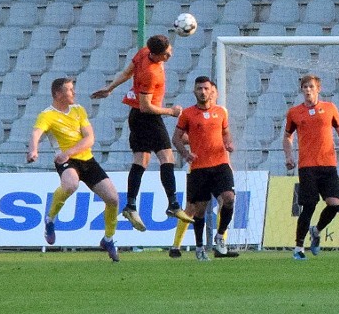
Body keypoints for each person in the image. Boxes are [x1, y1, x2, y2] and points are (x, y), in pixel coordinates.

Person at [91, 34, 192, 230]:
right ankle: (172, 204)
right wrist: (170, 111)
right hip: (146, 118)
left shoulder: (144, 52)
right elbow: (146, 107)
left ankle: (130, 205)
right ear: (155, 55)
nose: (169, 55)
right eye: (165, 55)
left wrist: (110, 88)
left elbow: (128, 72)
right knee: (167, 158)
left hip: (137, 117)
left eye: (169, 50)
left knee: (142, 160)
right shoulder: (150, 72)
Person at [27, 77, 121, 262]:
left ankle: (108, 239)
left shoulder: (78, 110)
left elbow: (89, 139)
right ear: (58, 94)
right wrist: (33, 150)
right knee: (70, 184)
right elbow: (36, 133)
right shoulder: (47, 115)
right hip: (66, 162)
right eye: (70, 89)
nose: (74, 92)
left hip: (86, 159)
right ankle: (50, 219)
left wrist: (69, 152)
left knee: (113, 199)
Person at [283, 74, 339, 260]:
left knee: (335, 204)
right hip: (307, 167)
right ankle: (298, 248)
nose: (307, 90)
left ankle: (317, 230)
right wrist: (289, 156)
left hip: (328, 165)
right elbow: (287, 137)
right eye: (305, 87)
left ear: (318, 89)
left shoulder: (329, 108)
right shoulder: (294, 112)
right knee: (309, 206)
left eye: (311, 86)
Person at [171, 76, 237, 261]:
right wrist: (186, 154)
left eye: (206, 88)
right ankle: (199, 247)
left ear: (211, 91)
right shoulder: (188, 114)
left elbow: (225, 133)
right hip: (199, 168)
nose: (203, 92)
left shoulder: (221, 112)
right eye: (199, 88)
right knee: (199, 210)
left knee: (229, 199)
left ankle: (220, 237)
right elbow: (176, 138)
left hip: (221, 165)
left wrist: (228, 143)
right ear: (194, 91)